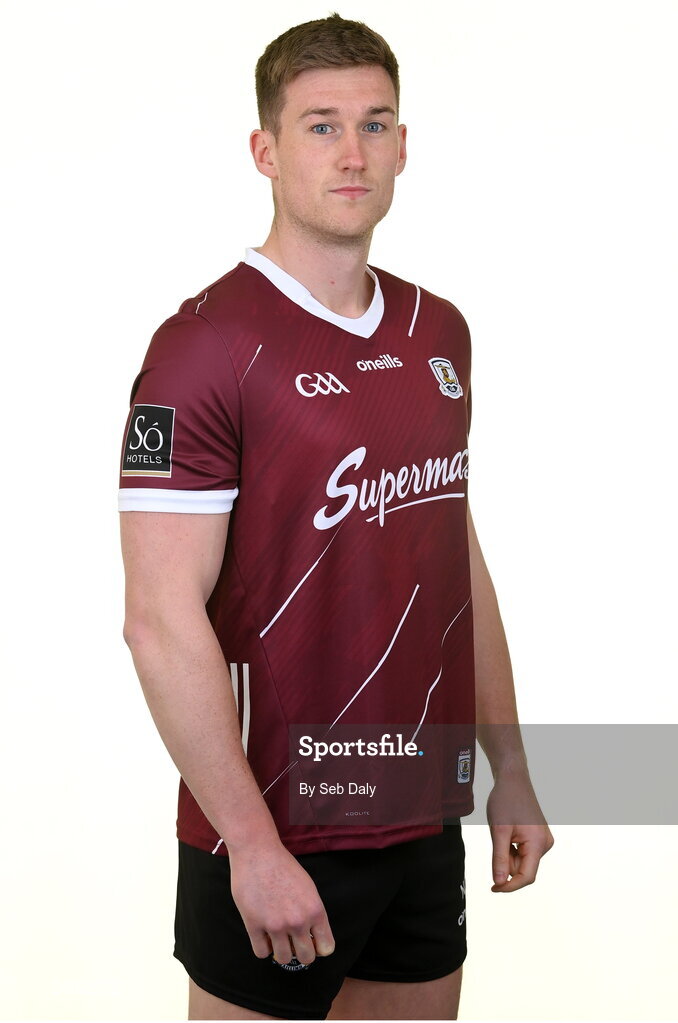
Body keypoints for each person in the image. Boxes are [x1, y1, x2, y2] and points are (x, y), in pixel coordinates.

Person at [118, 12, 554, 1021]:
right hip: (277, 828)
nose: (352, 152)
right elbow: (157, 619)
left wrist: (513, 773)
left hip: (419, 817)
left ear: (405, 145)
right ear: (265, 150)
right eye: (319, 126)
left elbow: (455, 557)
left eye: (375, 123)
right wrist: (253, 845)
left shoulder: (437, 330)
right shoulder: (205, 348)